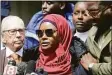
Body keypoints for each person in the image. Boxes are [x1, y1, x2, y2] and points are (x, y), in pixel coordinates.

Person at [80, 1, 112, 75]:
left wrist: (92, 66)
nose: (88, 17)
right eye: (87, 12)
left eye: (93, 12)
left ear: (110, 8)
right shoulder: (94, 29)